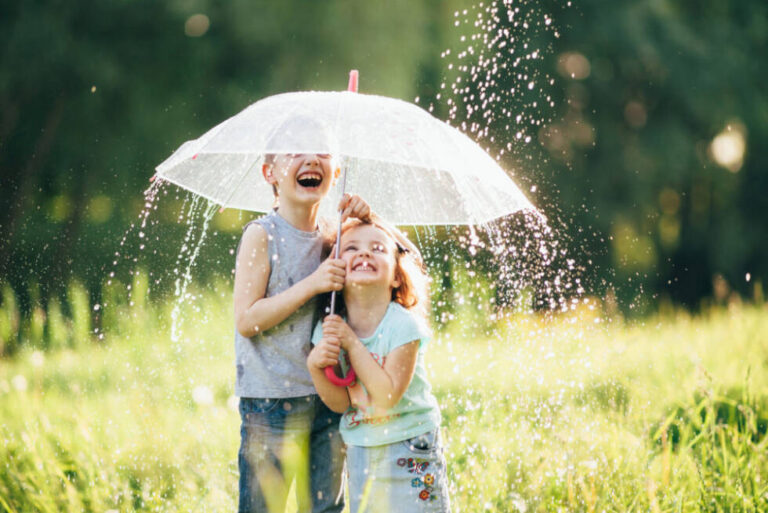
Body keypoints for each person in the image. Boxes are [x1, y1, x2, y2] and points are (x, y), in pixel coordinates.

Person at [233, 139, 372, 512]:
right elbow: (246, 320)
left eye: (323, 152)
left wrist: (368, 221)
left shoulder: (337, 234)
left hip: (328, 397)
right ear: (270, 173)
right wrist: (313, 283)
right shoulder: (262, 235)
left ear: (336, 173)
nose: (311, 159)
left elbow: (391, 264)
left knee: (325, 508)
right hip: (270, 403)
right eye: (296, 151)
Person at [307, 218, 451, 513]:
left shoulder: (403, 325)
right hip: (362, 446)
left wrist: (351, 342)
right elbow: (341, 403)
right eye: (351, 248)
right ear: (335, 270)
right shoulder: (330, 328)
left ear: (396, 276)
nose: (364, 253)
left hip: (411, 444)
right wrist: (315, 368)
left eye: (378, 248)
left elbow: (386, 396)